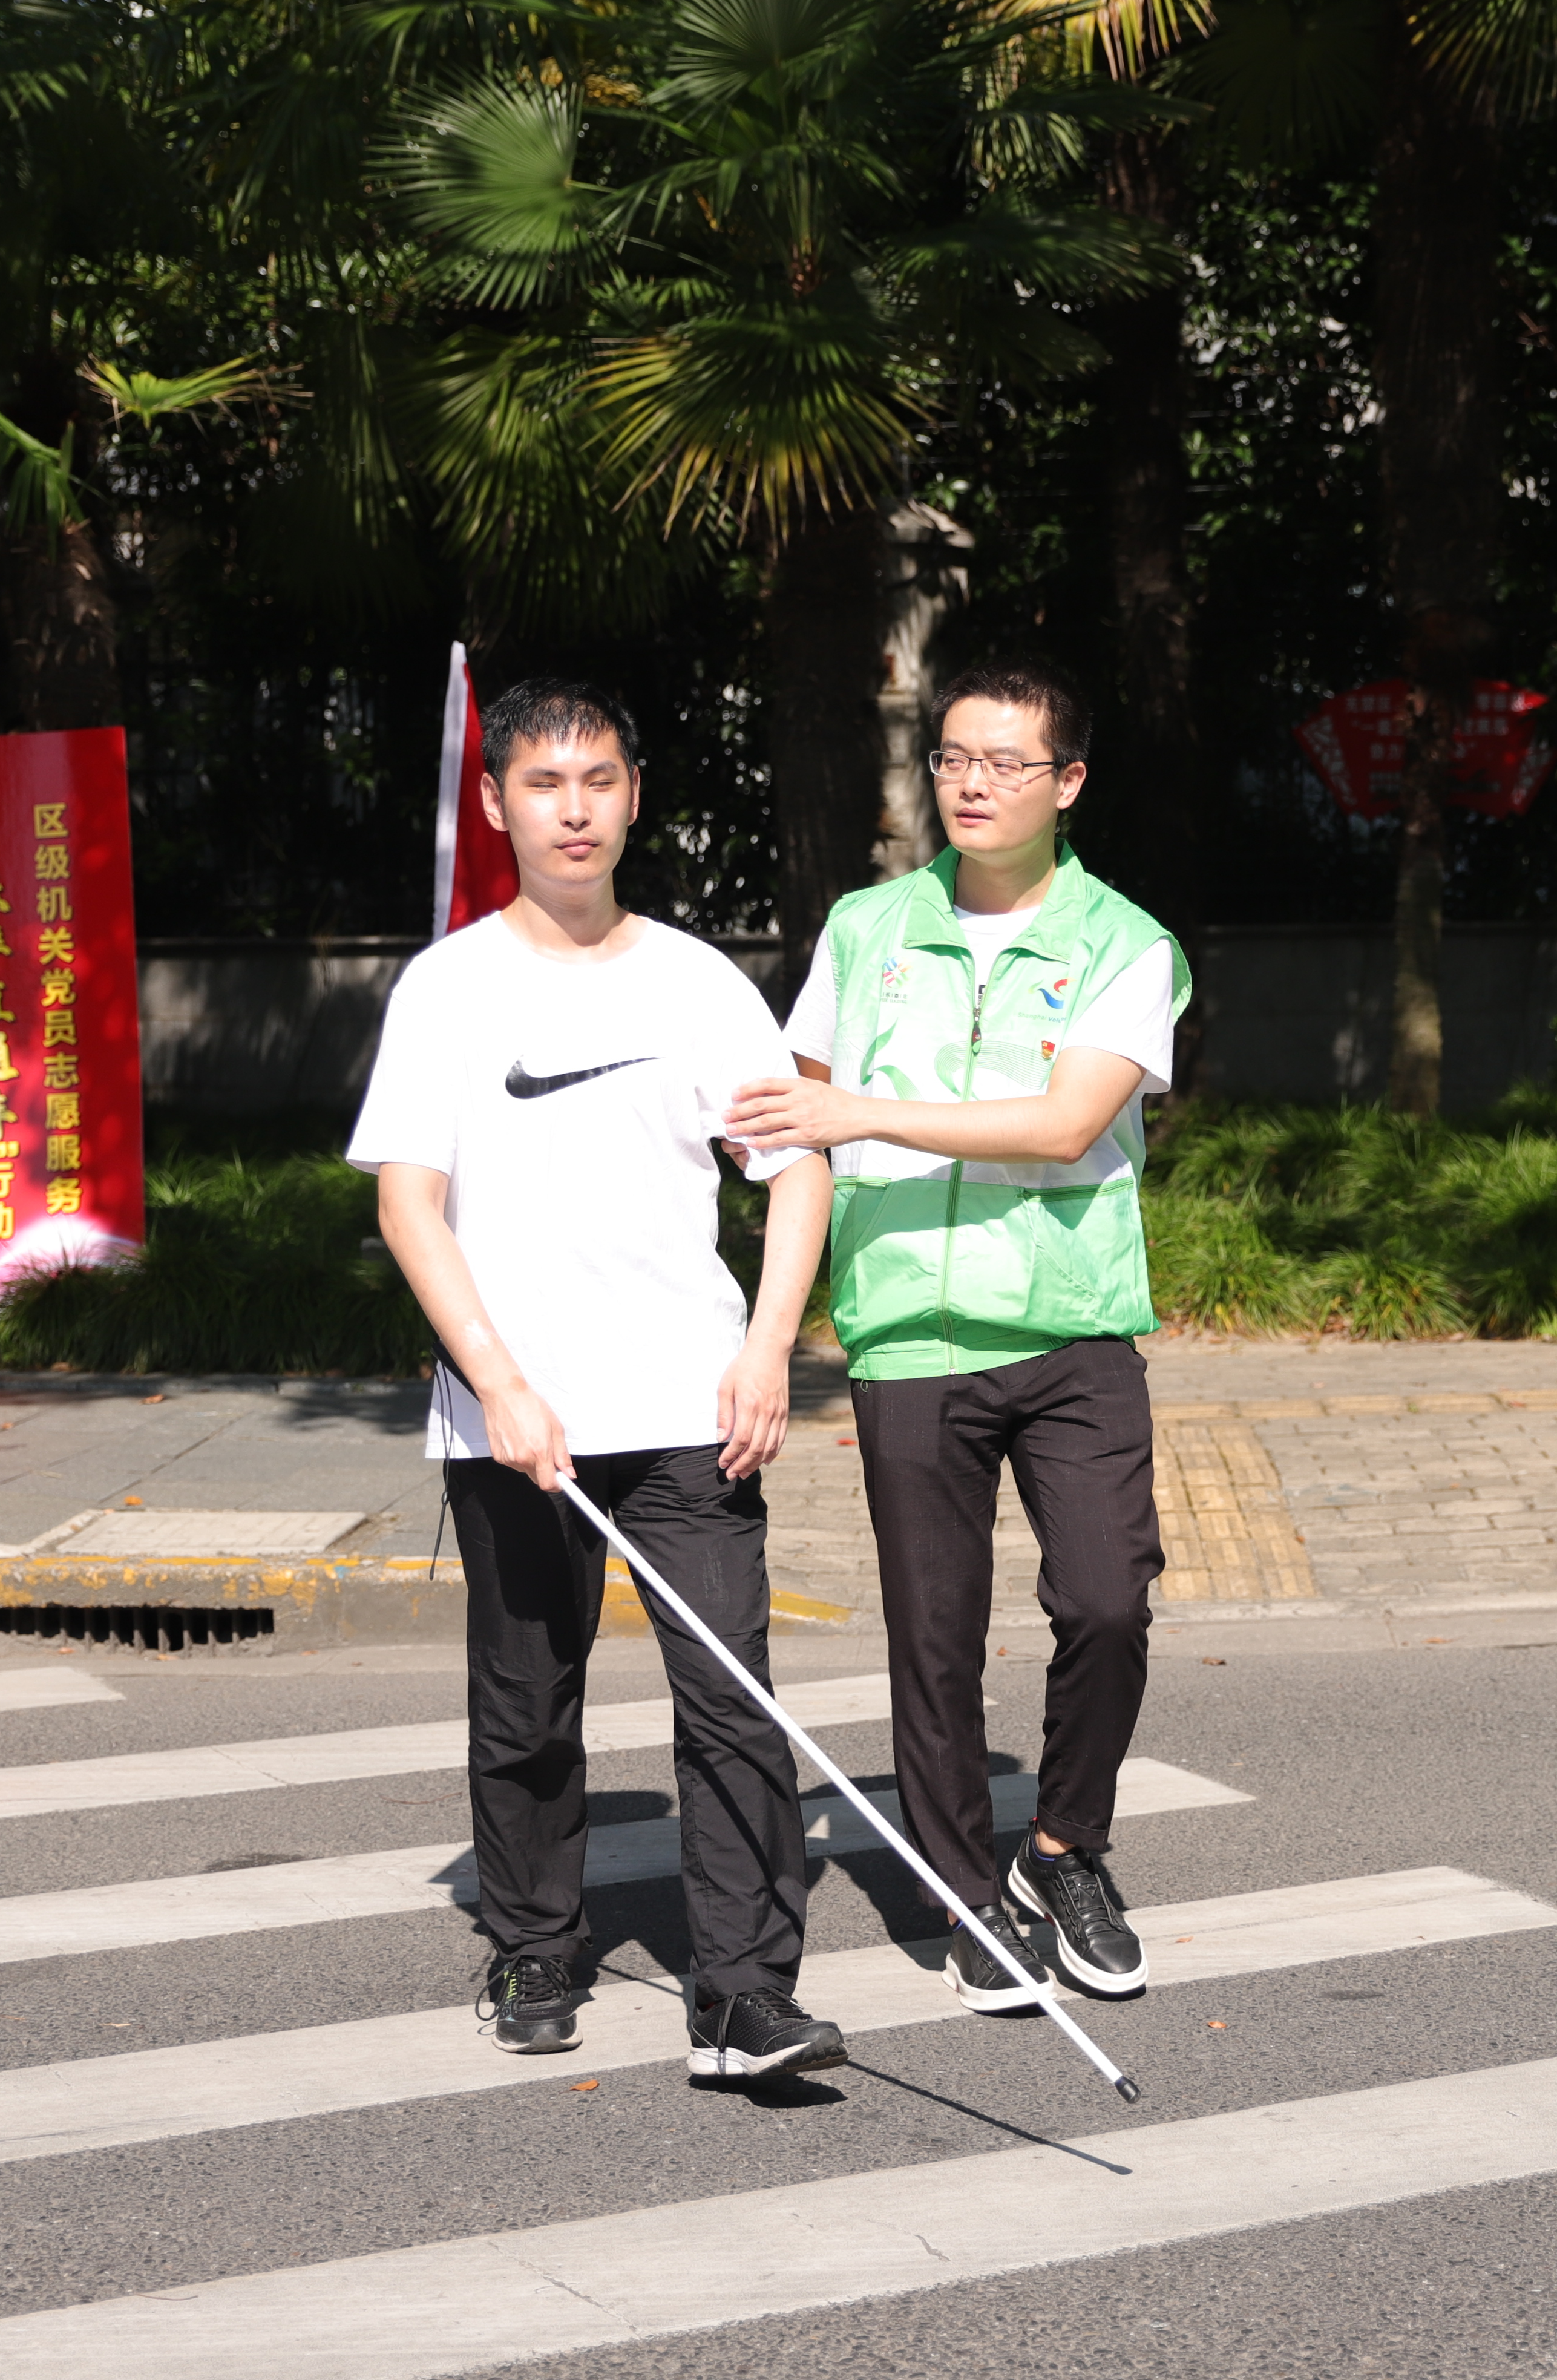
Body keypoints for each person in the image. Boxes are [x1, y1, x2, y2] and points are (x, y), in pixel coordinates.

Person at [349, 672, 848, 2083]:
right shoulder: (448, 987)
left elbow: (797, 1165)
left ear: (634, 795)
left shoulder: (697, 981)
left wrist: (768, 1347)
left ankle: (745, 1991)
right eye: (546, 784)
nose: (577, 808)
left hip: (693, 1410)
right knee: (524, 1701)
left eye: (603, 780)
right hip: (516, 1420)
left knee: (734, 1700)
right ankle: (532, 1937)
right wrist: (497, 1381)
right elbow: (409, 1204)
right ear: (499, 802)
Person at [724, 661, 1184, 2019]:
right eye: (952, 760)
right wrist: (773, 1339)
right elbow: (797, 1155)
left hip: (1075, 1325)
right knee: (936, 1635)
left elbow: (1061, 1123)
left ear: (1069, 782)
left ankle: (1065, 1847)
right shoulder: (864, 930)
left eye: (1005, 762)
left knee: (1107, 1600)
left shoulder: (1125, 943)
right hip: (908, 1334)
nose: (973, 783)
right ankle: (964, 1888)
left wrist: (857, 1110)